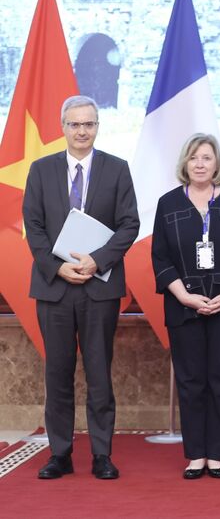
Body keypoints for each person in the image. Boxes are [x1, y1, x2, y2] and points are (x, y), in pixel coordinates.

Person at [23, 95, 139, 480]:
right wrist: (58, 267)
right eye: (74, 124)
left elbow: (129, 224)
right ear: (63, 127)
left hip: (99, 287)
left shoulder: (117, 169)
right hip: (53, 288)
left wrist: (97, 260)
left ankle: (102, 454)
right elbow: (33, 226)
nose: (81, 131)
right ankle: (60, 454)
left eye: (88, 124)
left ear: (97, 127)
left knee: (99, 374)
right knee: (57, 373)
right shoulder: (41, 170)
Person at [151, 133, 220, 480]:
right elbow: (160, 258)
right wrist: (184, 296)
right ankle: (196, 454)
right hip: (184, 306)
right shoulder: (168, 203)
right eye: (194, 157)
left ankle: (217, 455)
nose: (199, 164)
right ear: (185, 162)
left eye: (206, 157)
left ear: (216, 163)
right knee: (191, 381)